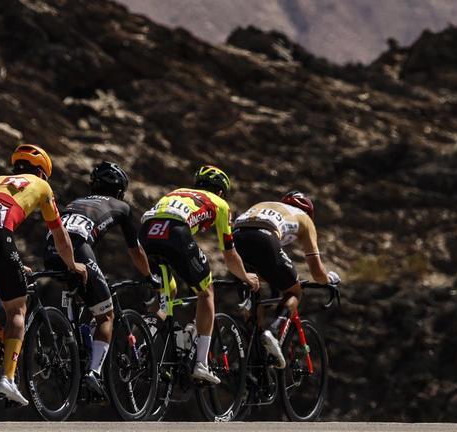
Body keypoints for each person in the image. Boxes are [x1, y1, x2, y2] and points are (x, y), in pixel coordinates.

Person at [0, 144, 88, 406]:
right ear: (42, 173)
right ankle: (8, 378)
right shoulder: (42, 186)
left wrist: (14, 263)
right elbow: (60, 236)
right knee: (18, 308)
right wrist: (73, 265)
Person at [40, 161, 154, 398]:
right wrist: (148, 276)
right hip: (78, 249)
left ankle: (71, 342)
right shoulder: (121, 206)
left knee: (81, 291)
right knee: (105, 314)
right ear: (120, 189)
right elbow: (135, 251)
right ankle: (93, 372)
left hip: (51, 249)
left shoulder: (76, 202)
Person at [139, 164, 259, 386]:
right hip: (175, 232)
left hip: (146, 233)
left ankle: (146, 340)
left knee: (169, 291)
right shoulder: (220, 204)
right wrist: (245, 277)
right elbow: (229, 253)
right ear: (221, 191)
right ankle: (201, 363)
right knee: (206, 293)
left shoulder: (175, 192)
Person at [232, 190, 340, 368]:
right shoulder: (305, 219)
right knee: (294, 291)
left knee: (254, 289)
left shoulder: (266, 204)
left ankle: (253, 358)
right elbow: (316, 271)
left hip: (236, 238)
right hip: (264, 237)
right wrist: (329, 279)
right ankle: (273, 332)